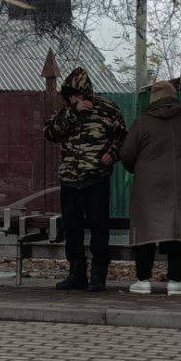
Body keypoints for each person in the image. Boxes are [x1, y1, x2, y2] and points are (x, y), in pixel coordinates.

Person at [43, 67, 128, 291]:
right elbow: (50, 134)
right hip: (70, 179)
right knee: (72, 229)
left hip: (96, 178)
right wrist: (73, 111)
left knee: (99, 228)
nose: (74, 98)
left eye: (77, 95)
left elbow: (122, 137)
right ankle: (76, 274)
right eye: (70, 96)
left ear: (86, 92)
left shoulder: (107, 109)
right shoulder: (66, 112)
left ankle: (98, 276)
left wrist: (113, 153)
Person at [121, 81, 181, 296]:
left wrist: (137, 169)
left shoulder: (142, 123)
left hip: (149, 184)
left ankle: (143, 281)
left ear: (153, 100)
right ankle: (175, 282)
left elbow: (127, 154)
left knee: (146, 228)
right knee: (178, 228)